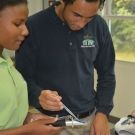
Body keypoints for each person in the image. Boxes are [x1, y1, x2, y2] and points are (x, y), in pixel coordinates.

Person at [15, 0, 116, 135]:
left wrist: (103, 114)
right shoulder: (32, 26)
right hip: (51, 123)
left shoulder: (99, 25)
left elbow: (107, 74)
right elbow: (22, 79)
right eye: (76, 15)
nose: (81, 24)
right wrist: (38, 95)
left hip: (91, 119)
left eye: (89, 17)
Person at [0, 0, 62, 135]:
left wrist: (27, 118)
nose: (26, 31)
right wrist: (27, 130)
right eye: (17, 24)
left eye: (25, 23)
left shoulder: (6, 60)